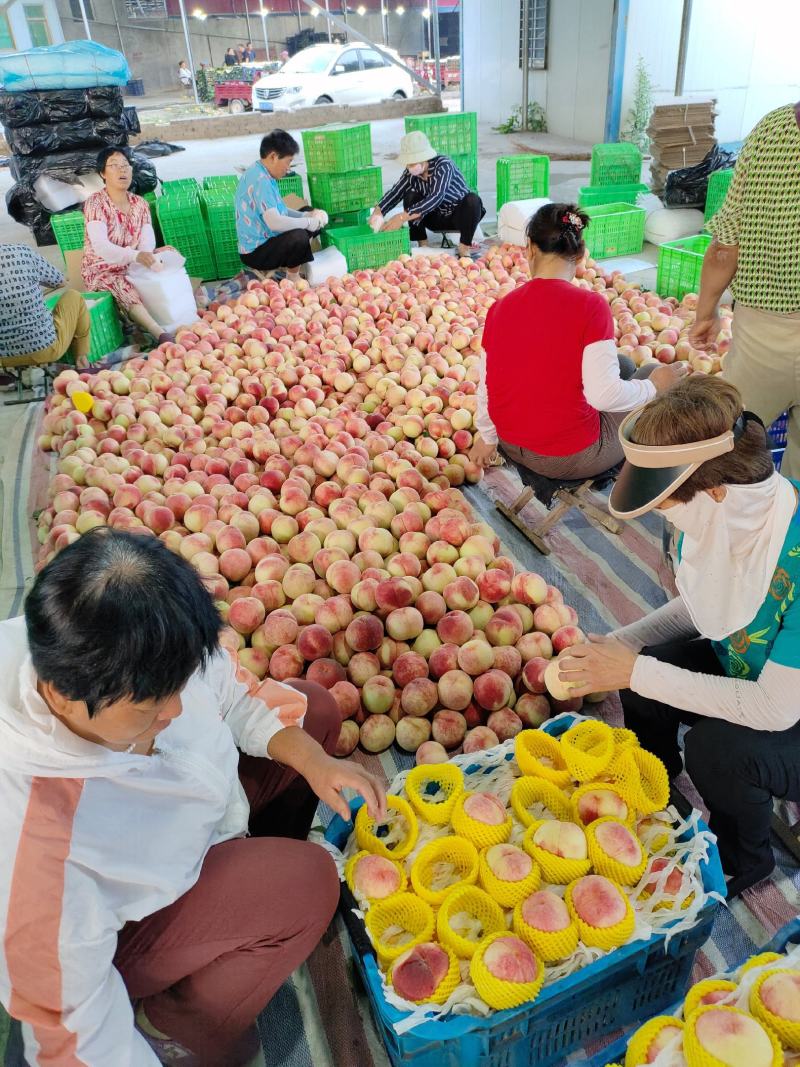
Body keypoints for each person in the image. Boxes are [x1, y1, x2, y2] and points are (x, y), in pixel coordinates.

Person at [0, 529, 385, 1067]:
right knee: (307, 880)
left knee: (314, 710)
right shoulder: (34, 845)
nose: (177, 711)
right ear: (67, 700)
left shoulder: (134, 644)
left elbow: (231, 694)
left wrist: (315, 762)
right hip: (124, 934)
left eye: (181, 686)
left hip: (196, 817)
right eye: (151, 707)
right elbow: (70, 1033)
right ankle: (174, 1023)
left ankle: (254, 907)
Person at [557, 376, 800, 899]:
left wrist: (633, 668)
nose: (667, 521)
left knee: (718, 749)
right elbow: (707, 600)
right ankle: (656, 790)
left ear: (715, 493)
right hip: (751, 669)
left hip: (789, 707)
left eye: (668, 506)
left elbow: (776, 709)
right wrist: (621, 646)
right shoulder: (735, 518)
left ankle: (745, 859)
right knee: (646, 667)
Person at [468, 204, 687, 480]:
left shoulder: (500, 307)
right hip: (567, 457)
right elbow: (603, 395)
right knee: (648, 373)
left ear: (531, 249)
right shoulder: (590, 306)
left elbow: (486, 385)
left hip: (510, 443)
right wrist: (655, 386)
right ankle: (653, 476)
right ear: (581, 254)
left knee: (622, 364)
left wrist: (487, 437)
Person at [689, 102, 800, 477]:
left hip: (766, 334)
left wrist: (707, 313)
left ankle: (713, 527)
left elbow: (724, 248)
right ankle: (791, 529)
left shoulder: (773, 130)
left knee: (725, 446)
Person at [81, 146, 174, 346]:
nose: (122, 170)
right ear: (102, 174)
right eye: (114, 166)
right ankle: (159, 333)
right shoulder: (95, 203)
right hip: (102, 269)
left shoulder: (140, 203)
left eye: (125, 165)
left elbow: (147, 242)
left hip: (132, 264)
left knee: (169, 255)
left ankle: (176, 314)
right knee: (121, 284)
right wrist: (137, 257)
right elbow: (101, 247)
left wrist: (148, 257)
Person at [369, 130, 486, 258]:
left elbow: (436, 197)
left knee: (473, 200)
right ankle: (423, 246)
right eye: (408, 163)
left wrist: (401, 217)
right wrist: (379, 210)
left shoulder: (444, 165)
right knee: (410, 196)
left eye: (413, 162)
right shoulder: (411, 173)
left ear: (424, 158)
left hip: (459, 217)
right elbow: (396, 191)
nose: (410, 167)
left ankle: (464, 248)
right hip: (435, 218)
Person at [236, 130, 328, 280]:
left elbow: (281, 210)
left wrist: (307, 215)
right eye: (288, 161)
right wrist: (307, 222)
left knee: (309, 212)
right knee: (299, 236)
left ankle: (296, 261)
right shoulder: (261, 181)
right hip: (256, 252)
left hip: (267, 241)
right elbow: (275, 223)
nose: (288, 168)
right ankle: (293, 278)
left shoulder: (261, 171)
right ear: (273, 157)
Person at [0, 244, 91, 378]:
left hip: (3, 358)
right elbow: (60, 282)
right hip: (45, 349)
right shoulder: (22, 252)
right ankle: (82, 361)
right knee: (73, 296)